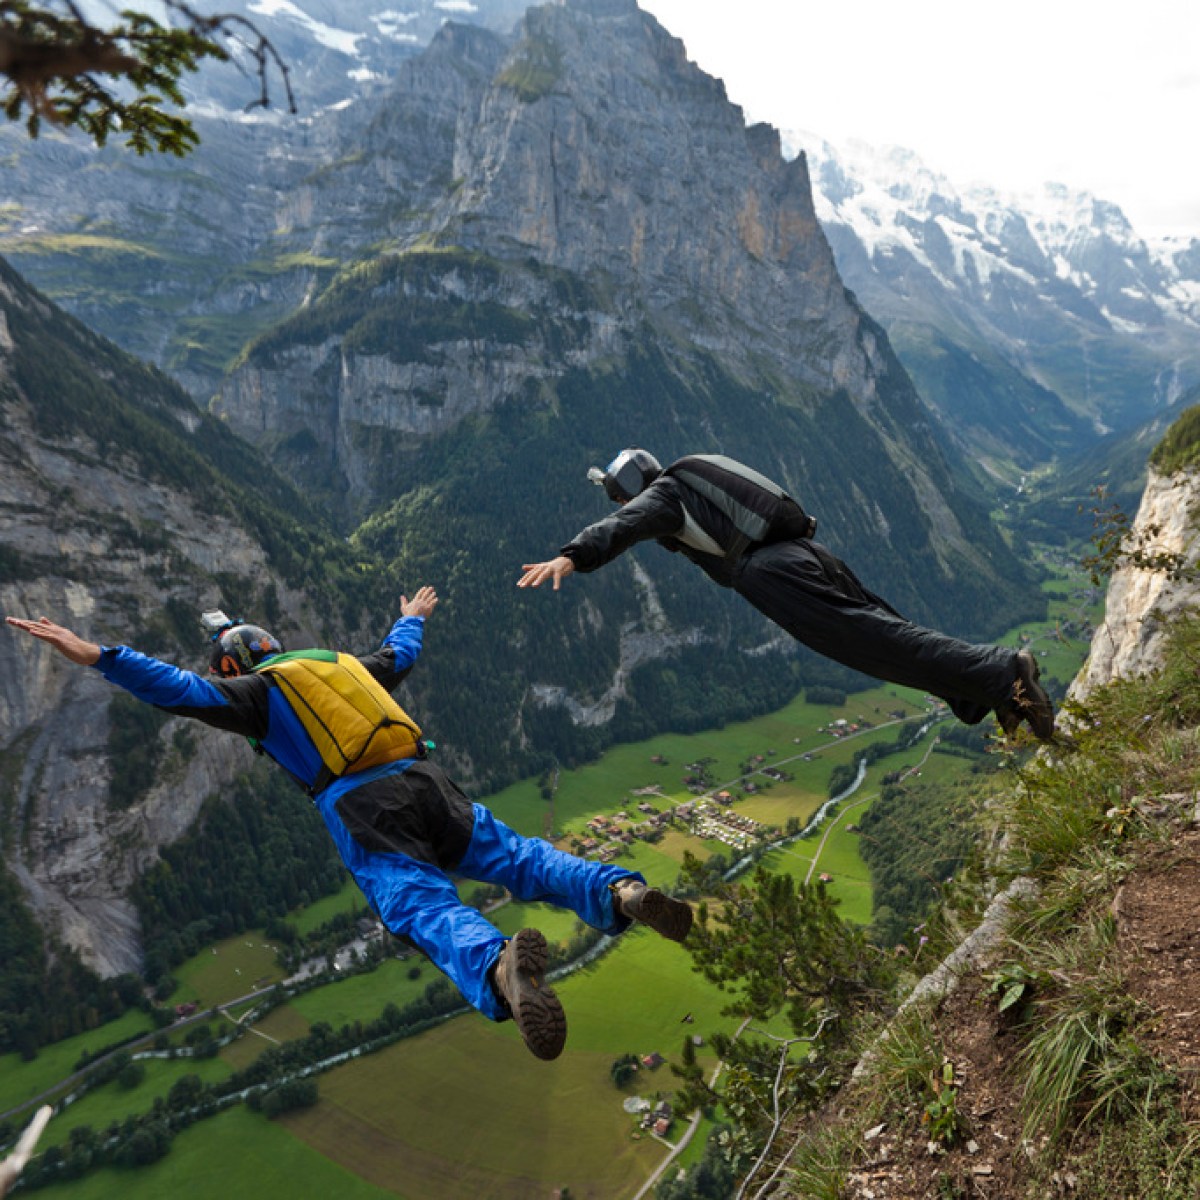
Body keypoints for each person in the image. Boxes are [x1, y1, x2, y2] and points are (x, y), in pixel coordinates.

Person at [6, 593, 693, 1062]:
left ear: (235, 668)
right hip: (431, 784)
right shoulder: (336, 668)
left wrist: (98, 654)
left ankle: (497, 966)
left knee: (419, 904)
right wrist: (412, 616)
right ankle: (620, 893)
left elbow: (178, 690)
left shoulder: (258, 692)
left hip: (365, 808)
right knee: (522, 858)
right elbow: (400, 657)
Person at [517, 448, 1056, 741]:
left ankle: (1004, 671)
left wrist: (573, 554)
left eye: (619, 495)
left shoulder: (665, 496)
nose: (622, 502)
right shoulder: (696, 472)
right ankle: (983, 693)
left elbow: (626, 525)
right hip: (803, 551)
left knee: (873, 643)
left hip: (769, 573)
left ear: (631, 488)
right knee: (886, 629)